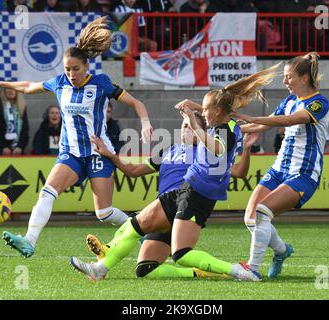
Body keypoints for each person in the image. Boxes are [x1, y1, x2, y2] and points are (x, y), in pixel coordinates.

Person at [69, 64, 279, 282]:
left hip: (194, 194)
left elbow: (218, 146)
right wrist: (195, 111)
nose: (199, 117)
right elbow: (133, 170)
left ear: (217, 112)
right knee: (139, 243)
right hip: (185, 193)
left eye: (205, 111)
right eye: (188, 123)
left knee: (177, 251)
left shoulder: (216, 136)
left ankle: (237, 270)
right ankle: (101, 266)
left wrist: (195, 121)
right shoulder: (212, 132)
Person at [0, 16, 153, 258]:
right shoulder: (59, 83)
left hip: (98, 153)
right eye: (67, 69)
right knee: (47, 192)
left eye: (75, 69)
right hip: (70, 153)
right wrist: (0, 82)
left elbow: (136, 102)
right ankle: (29, 240)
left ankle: (141, 231)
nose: (71, 74)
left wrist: (145, 123)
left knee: (104, 213)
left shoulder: (102, 83)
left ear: (86, 67)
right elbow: (29, 86)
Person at [86, 114, 259, 279]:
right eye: (184, 126)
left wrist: (246, 148)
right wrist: (109, 154)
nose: (186, 129)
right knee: (145, 270)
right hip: (164, 207)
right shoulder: (167, 152)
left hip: (183, 202)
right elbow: (132, 171)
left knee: (134, 225)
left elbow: (239, 172)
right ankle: (197, 273)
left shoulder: (206, 154)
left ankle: (105, 256)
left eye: (191, 126)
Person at [239, 52, 329, 280]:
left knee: (262, 211)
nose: (285, 81)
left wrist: (251, 118)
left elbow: (289, 121)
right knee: (250, 217)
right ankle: (281, 251)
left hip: (304, 174)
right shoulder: (288, 101)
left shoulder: (319, 103)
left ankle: (253, 268)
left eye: (289, 76)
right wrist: (229, 127)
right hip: (279, 169)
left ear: (304, 78)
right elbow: (261, 127)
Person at [0, 88, 29, 155]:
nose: (11, 91)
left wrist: (20, 146)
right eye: (8, 88)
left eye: (13, 89)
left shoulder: (22, 106)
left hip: (17, 150)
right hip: (0, 150)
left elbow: (25, 129)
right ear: (3, 91)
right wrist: (3, 147)